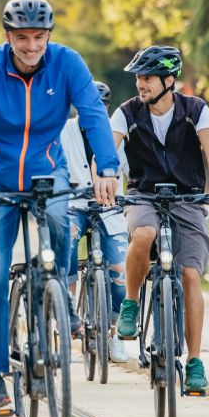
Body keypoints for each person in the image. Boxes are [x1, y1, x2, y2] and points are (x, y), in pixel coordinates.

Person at [0, 0, 120, 416]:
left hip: (48, 173)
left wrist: (107, 167)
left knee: (62, 224)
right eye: (23, 37)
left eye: (39, 37)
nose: (31, 46)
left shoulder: (67, 64)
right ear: (8, 36)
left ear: (49, 35)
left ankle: (60, 292)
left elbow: (93, 115)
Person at [111, 45, 209, 395]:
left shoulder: (195, 110)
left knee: (191, 275)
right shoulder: (126, 113)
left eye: (147, 78)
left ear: (168, 80)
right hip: (143, 194)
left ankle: (194, 361)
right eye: (138, 78)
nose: (140, 84)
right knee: (144, 233)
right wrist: (103, 179)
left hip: (187, 198)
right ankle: (131, 303)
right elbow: (109, 148)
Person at [62, 80, 130, 364]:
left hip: (110, 207)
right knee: (65, 249)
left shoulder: (116, 133)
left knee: (121, 269)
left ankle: (113, 333)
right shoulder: (63, 130)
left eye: (101, 107)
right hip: (73, 204)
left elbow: (131, 169)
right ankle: (68, 322)